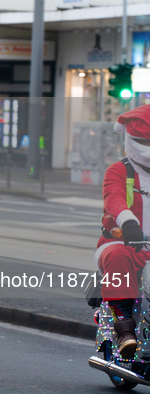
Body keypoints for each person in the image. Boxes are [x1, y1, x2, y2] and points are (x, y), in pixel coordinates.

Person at [97, 103, 150, 359]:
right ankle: (124, 329)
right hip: (126, 243)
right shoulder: (120, 170)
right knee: (117, 257)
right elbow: (113, 198)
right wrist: (128, 222)